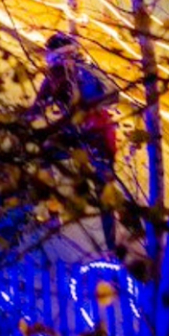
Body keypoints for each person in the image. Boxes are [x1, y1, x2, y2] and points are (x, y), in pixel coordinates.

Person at [29, 31, 120, 250]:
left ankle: (113, 246)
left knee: (104, 189)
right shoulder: (52, 79)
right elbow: (37, 109)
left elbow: (113, 95)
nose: (52, 65)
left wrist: (87, 102)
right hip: (73, 132)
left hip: (97, 133)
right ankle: (53, 210)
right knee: (46, 152)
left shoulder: (85, 71)